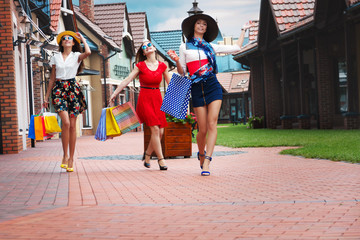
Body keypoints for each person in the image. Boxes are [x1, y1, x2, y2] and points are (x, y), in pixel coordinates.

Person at [168, 14, 250, 176]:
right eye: (198, 23)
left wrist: (243, 31)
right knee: (203, 129)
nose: (201, 25)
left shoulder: (210, 46)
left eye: (204, 24)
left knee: (213, 124)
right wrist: (177, 60)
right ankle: (200, 152)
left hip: (213, 85)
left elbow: (236, 48)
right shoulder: (185, 47)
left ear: (207, 28)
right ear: (193, 26)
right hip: (197, 88)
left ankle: (207, 161)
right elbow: (183, 72)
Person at [109, 40, 171, 171]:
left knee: (160, 132)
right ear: (143, 52)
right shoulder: (140, 66)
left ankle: (147, 155)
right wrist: (115, 92)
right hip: (145, 99)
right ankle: (161, 160)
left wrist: (182, 97)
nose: (148, 47)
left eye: (149, 45)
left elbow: (170, 84)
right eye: (144, 46)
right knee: (154, 129)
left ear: (154, 48)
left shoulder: (162, 66)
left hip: (158, 99)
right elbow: (127, 79)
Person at [43, 31, 91, 172]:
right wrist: (46, 97)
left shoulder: (76, 56)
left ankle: (71, 158)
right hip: (58, 89)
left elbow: (88, 52)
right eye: (64, 38)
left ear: (74, 42)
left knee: (72, 126)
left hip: (72, 89)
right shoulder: (55, 57)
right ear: (61, 43)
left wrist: (82, 38)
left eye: (69, 38)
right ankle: (64, 155)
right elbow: (52, 78)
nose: (67, 40)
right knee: (66, 122)